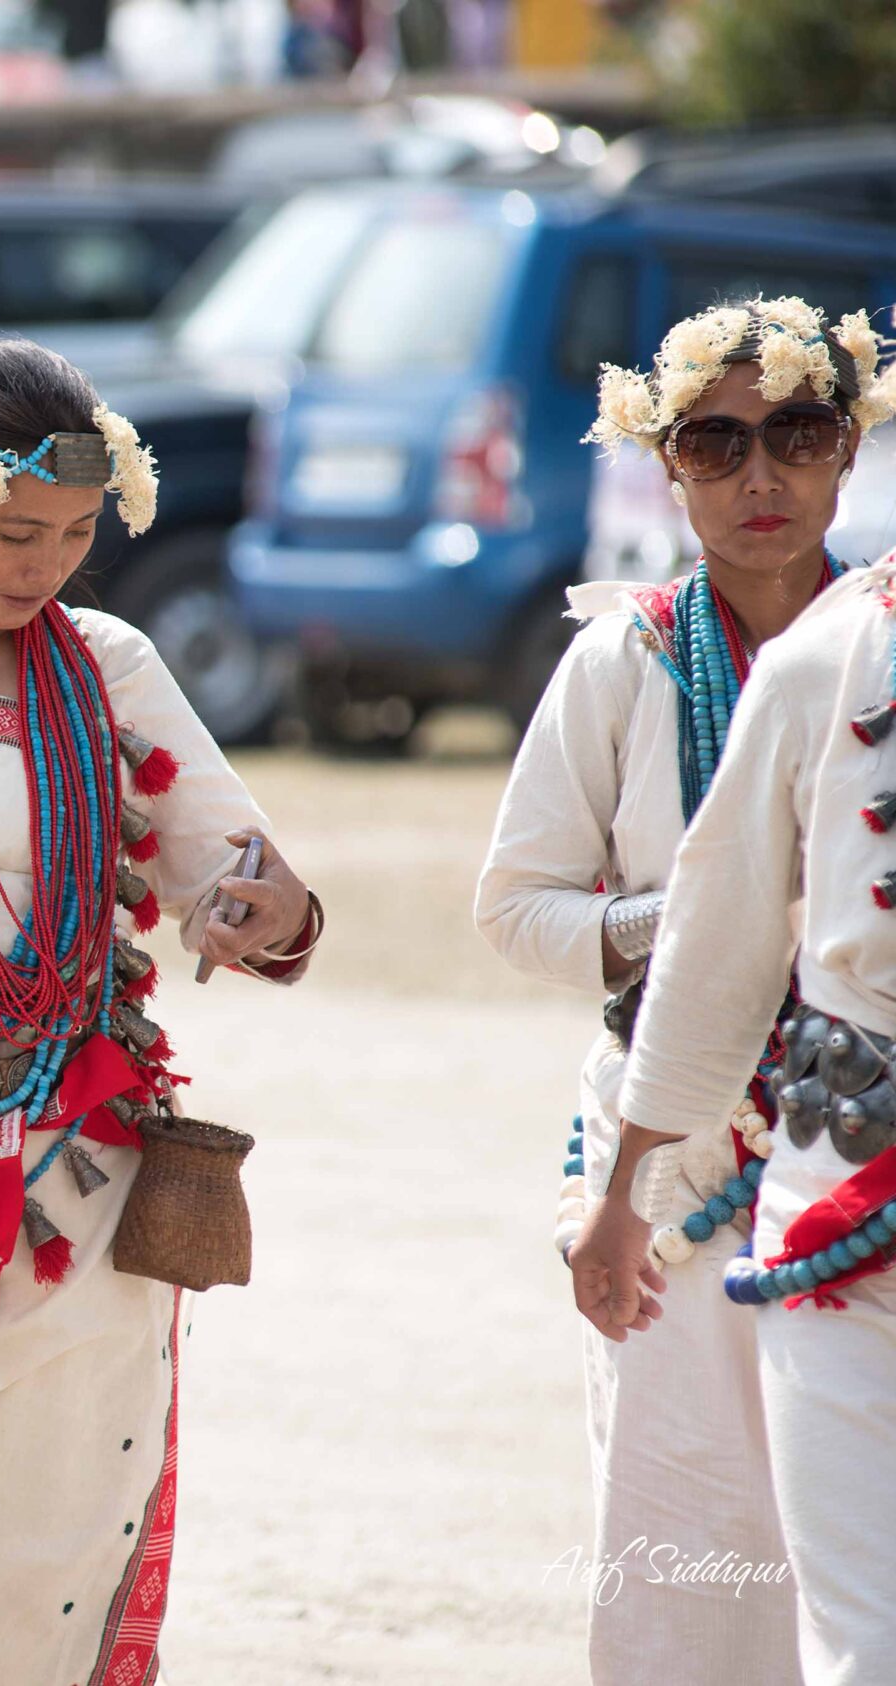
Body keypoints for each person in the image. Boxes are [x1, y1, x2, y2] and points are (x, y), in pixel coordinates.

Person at [0, 338, 322, 1684]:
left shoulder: (105, 666)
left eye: (72, 534)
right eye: (12, 532)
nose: (43, 566)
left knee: (41, 1585)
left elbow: (250, 874)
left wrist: (265, 908)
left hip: (80, 1199)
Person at [479, 294, 879, 1684]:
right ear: (668, 467)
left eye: (799, 435)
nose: (761, 477)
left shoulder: (878, 647)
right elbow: (516, 907)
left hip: (862, 1134)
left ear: (851, 449)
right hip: (681, 1158)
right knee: (691, 1533)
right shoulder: (628, 657)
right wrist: (703, 916)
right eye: (716, 444)